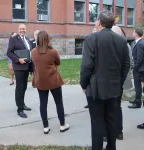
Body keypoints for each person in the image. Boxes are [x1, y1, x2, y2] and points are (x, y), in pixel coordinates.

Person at [80, 10, 130, 150]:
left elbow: (86, 66)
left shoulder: (91, 39)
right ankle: (111, 147)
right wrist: (119, 82)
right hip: (114, 89)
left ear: (99, 23)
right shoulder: (122, 40)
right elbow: (126, 65)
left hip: (95, 89)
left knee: (97, 123)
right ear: (113, 23)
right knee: (111, 121)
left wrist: (83, 84)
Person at [31, 30, 70, 134]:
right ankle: (62, 125)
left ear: (38, 40)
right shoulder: (53, 52)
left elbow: (36, 63)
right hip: (53, 81)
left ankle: (45, 127)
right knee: (59, 102)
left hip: (40, 81)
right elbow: (58, 62)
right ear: (48, 39)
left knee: (43, 104)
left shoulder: (33, 52)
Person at [7, 24, 32, 118]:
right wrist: (18, 60)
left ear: (26, 30)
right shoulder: (14, 39)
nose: (22, 30)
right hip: (19, 67)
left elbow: (30, 52)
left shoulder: (27, 39)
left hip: (27, 67)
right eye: (21, 29)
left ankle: (22, 104)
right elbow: (9, 52)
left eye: (24, 29)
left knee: (24, 87)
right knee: (19, 88)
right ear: (18, 30)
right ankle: (20, 109)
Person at [128, 28, 144, 109]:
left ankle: (138, 103)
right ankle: (136, 100)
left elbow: (140, 58)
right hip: (139, 68)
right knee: (137, 86)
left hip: (139, 69)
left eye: (133, 32)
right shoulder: (139, 43)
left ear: (136, 34)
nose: (132, 33)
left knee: (138, 86)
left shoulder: (140, 44)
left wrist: (135, 67)